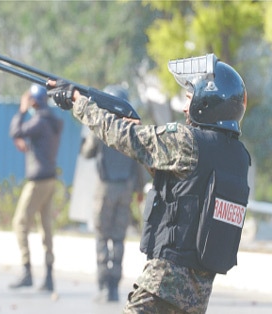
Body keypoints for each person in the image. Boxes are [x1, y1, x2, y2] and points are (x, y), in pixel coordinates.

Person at [49, 53, 250, 314]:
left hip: (162, 285)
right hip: (197, 297)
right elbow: (188, 187)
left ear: (206, 103)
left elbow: (123, 136)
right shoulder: (237, 157)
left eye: (189, 100)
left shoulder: (186, 140)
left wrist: (79, 103)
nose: (184, 108)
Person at [79, 85, 145, 303]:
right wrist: (139, 190)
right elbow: (138, 163)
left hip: (105, 189)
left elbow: (87, 153)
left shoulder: (102, 128)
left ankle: (102, 282)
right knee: (118, 238)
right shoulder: (132, 129)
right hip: (125, 189)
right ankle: (114, 287)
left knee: (101, 236)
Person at [8, 84, 63, 292]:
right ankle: (48, 276)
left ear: (33, 101)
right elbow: (41, 143)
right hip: (50, 178)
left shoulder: (38, 121)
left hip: (38, 180)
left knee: (20, 222)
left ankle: (26, 270)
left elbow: (15, 131)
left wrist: (22, 111)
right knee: (45, 226)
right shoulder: (53, 121)